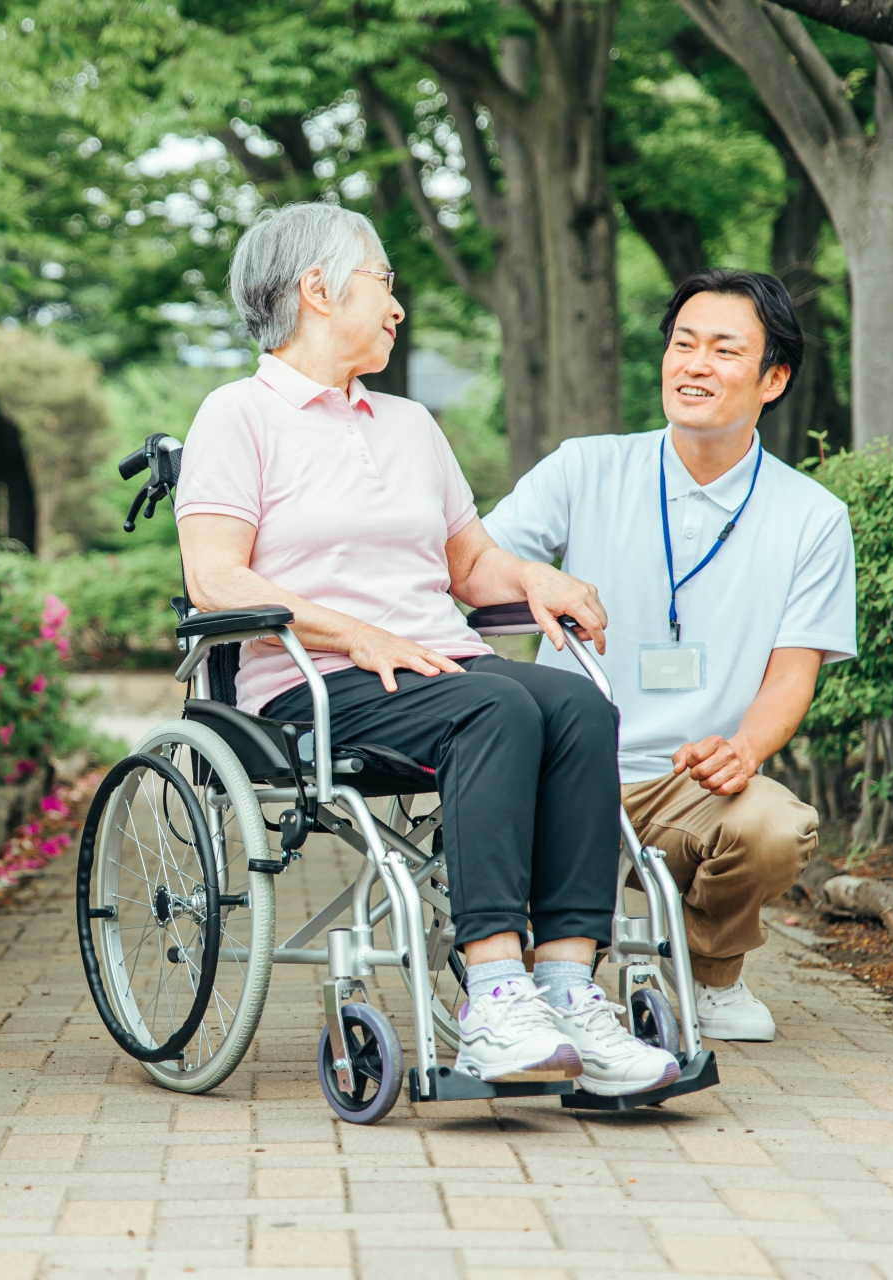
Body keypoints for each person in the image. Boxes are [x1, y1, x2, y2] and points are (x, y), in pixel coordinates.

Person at [173, 202, 678, 1096]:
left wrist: (534, 579)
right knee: (501, 704)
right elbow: (217, 579)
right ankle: (493, 995)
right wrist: (356, 633)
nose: (397, 306)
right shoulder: (237, 415)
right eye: (384, 281)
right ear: (318, 290)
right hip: (315, 681)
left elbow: (467, 563)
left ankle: (566, 987)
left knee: (576, 705)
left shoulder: (407, 424)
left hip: (434, 666)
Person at [484, 268, 856, 1042]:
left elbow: (794, 672)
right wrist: (534, 574)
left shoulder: (812, 517)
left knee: (775, 828)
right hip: (562, 764)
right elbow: (473, 565)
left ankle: (708, 971)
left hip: (689, 780)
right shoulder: (584, 469)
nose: (694, 364)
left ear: (773, 378)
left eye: (724, 350)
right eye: (683, 344)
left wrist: (745, 749)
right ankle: (524, 986)